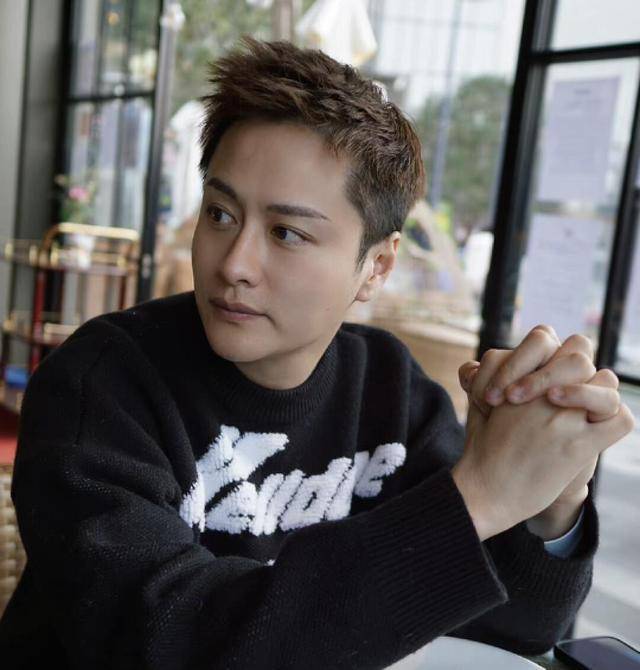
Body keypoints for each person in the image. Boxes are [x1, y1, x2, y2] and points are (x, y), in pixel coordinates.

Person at [0, 36, 634, 670]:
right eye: (220, 214)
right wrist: (480, 498)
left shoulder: (390, 389)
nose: (235, 263)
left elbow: (503, 633)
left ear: (376, 266)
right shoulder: (98, 385)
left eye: (286, 232)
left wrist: (550, 503)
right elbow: (167, 642)